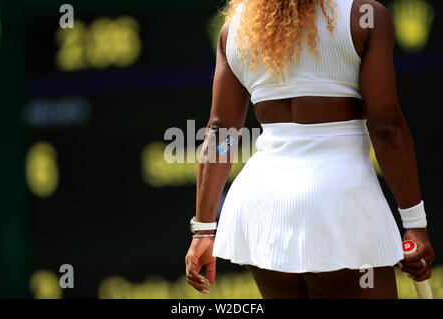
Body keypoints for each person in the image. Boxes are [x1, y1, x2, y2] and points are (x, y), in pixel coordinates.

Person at [185, 0, 435, 298]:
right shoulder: (366, 17)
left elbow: (220, 134)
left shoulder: (234, 28)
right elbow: (386, 129)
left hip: (263, 209)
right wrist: (415, 224)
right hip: (339, 206)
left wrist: (203, 229)